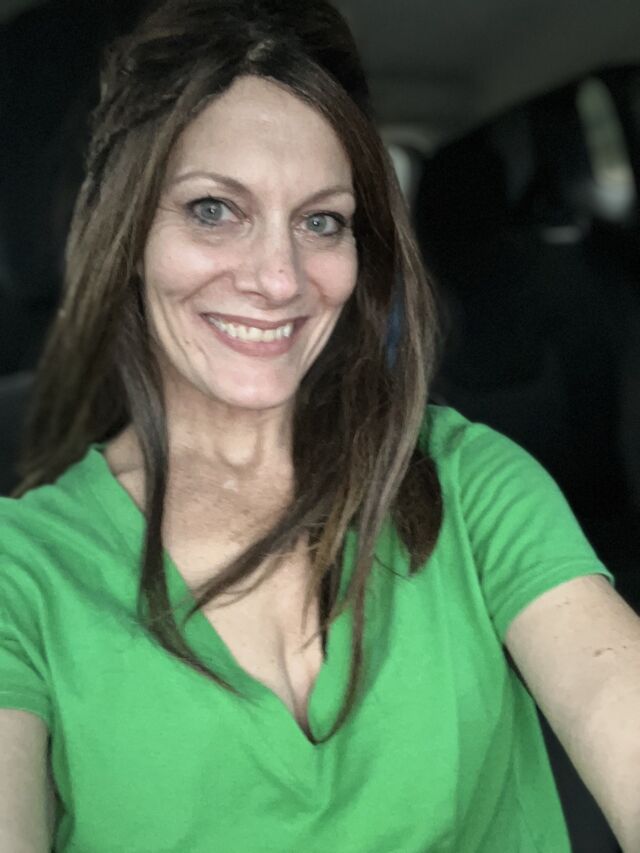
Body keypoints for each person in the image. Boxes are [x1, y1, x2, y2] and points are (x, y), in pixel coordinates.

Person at [0, 1, 639, 851]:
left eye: (321, 221)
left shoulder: (468, 482)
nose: (279, 278)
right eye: (213, 209)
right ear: (129, 231)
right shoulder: (21, 571)